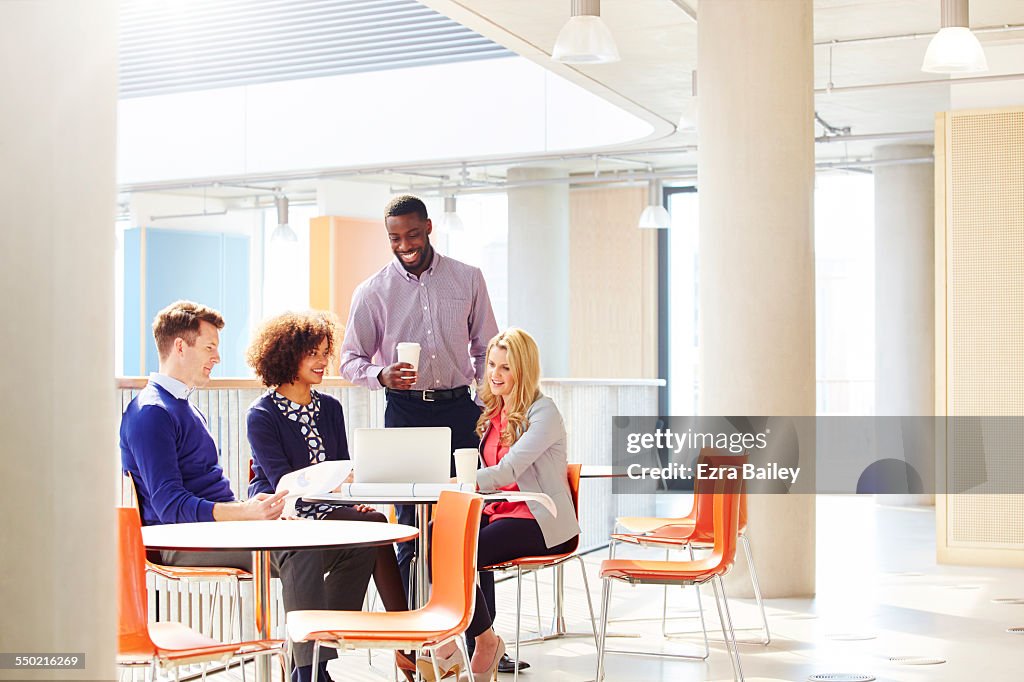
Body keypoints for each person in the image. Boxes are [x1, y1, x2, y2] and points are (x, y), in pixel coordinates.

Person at [120, 300, 375, 682]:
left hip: (217, 529)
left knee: (358, 543)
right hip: (180, 540)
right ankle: (307, 673)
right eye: (210, 347)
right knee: (298, 549)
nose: (218, 357)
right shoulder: (151, 412)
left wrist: (246, 508)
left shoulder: (184, 407)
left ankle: (312, 659)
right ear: (179, 347)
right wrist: (243, 513)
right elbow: (170, 506)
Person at [245, 310, 415, 680]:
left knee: (373, 526)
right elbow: (282, 481)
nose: (324, 362)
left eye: (326, 353)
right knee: (370, 530)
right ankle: (396, 642)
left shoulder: (331, 408)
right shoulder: (262, 414)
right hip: (286, 512)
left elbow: (340, 468)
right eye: (314, 354)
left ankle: (322, 654)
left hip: (327, 508)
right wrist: (333, 487)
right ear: (288, 355)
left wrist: (351, 499)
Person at [339, 194, 498, 590]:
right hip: (405, 414)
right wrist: (381, 375)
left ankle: (483, 645)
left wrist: (479, 403)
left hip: (460, 412)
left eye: (412, 234)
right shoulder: (372, 291)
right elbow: (349, 360)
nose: (405, 245)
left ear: (429, 227)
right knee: (409, 526)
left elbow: (487, 348)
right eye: (395, 238)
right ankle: (414, 642)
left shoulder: (468, 277)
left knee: (470, 522)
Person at [418, 328, 581, 682]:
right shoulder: (493, 416)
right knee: (436, 537)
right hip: (500, 512)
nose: (495, 374)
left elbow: (508, 469)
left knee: (466, 551)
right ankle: (483, 640)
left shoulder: (543, 413)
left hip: (540, 519)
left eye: (506, 368)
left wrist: (462, 483)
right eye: (492, 364)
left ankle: (459, 643)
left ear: (523, 370)